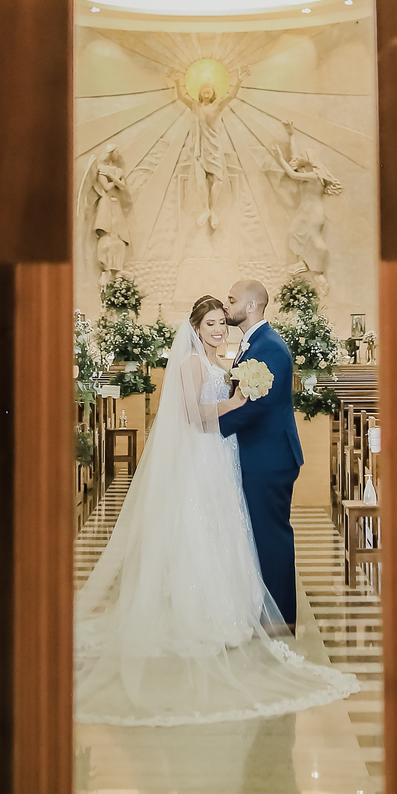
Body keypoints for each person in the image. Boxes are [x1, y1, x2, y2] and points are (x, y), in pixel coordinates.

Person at [74, 294, 357, 726]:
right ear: (195, 328)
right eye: (210, 324)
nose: (219, 330)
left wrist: (241, 394)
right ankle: (198, 616)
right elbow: (193, 416)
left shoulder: (222, 362)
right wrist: (237, 402)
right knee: (198, 531)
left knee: (228, 530)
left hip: (224, 457)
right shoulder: (191, 364)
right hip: (202, 457)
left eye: (222, 323)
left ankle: (235, 609)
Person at [218, 279, 303, 631]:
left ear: (251, 306)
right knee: (260, 536)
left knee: (271, 538)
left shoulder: (270, 347)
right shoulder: (254, 343)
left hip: (270, 458)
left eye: (232, 299)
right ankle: (265, 611)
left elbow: (258, 407)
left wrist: (211, 427)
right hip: (260, 454)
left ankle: (281, 620)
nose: (226, 305)